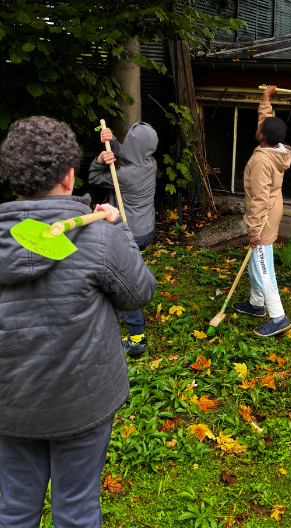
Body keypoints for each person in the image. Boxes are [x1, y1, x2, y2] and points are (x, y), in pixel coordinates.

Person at [0, 116, 156, 527]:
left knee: (13, 509)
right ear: (70, 177)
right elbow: (140, 293)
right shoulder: (99, 237)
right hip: (81, 403)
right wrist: (118, 231)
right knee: (77, 508)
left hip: (9, 406)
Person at [89, 122, 158, 357]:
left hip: (130, 232)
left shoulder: (125, 176)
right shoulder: (150, 163)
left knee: (125, 282)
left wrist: (100, 159)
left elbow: (94, 177)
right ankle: (140, 284)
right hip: (146, 230)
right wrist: (113, 141)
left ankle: (137, 337)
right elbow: (131, 154)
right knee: (132, 270)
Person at [232, 85, 291, 337]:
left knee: (262, 264)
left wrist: (253, 230)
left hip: (264, 214)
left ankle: (278, 317)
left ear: (262, 136)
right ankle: (257, 304)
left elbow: (257, 199)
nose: (257, 128)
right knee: (255, 261)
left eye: (259, 128)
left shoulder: (260, 162)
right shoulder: (277, 148)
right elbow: (266, 122)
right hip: (273, 206)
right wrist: (265, 99)